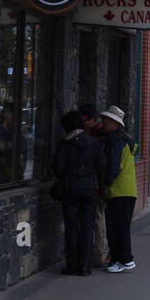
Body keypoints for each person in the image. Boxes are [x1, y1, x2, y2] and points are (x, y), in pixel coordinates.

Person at [52, 109, 105, 275]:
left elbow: (58, 168)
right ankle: (85, 265)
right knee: (87, 226)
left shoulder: (65, 143)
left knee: (72, 226)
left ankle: (72, 264)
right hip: (90, 187)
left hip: (71, 187)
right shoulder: (94, 142)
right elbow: (101, 166)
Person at [100, 106, 137, 272]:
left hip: (118, 190)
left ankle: (123, 259)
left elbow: (114, 166)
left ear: (115, 123)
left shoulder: (115, 140)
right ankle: (119, 259)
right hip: (127, 189)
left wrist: (105, 183)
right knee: (120, 226)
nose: (104, 123)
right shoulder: (124, 139)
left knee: (116, 227)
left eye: (106, 120)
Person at [79, 103, 109, 266]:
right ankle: (98, 250)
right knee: (99, 216)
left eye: (84, 120)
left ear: (91, 120)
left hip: (98, 182)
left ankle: (98, 251)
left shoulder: (98, 136)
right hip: (97, 182)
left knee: (98, 216)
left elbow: (100, 163)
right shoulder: (97, 133)